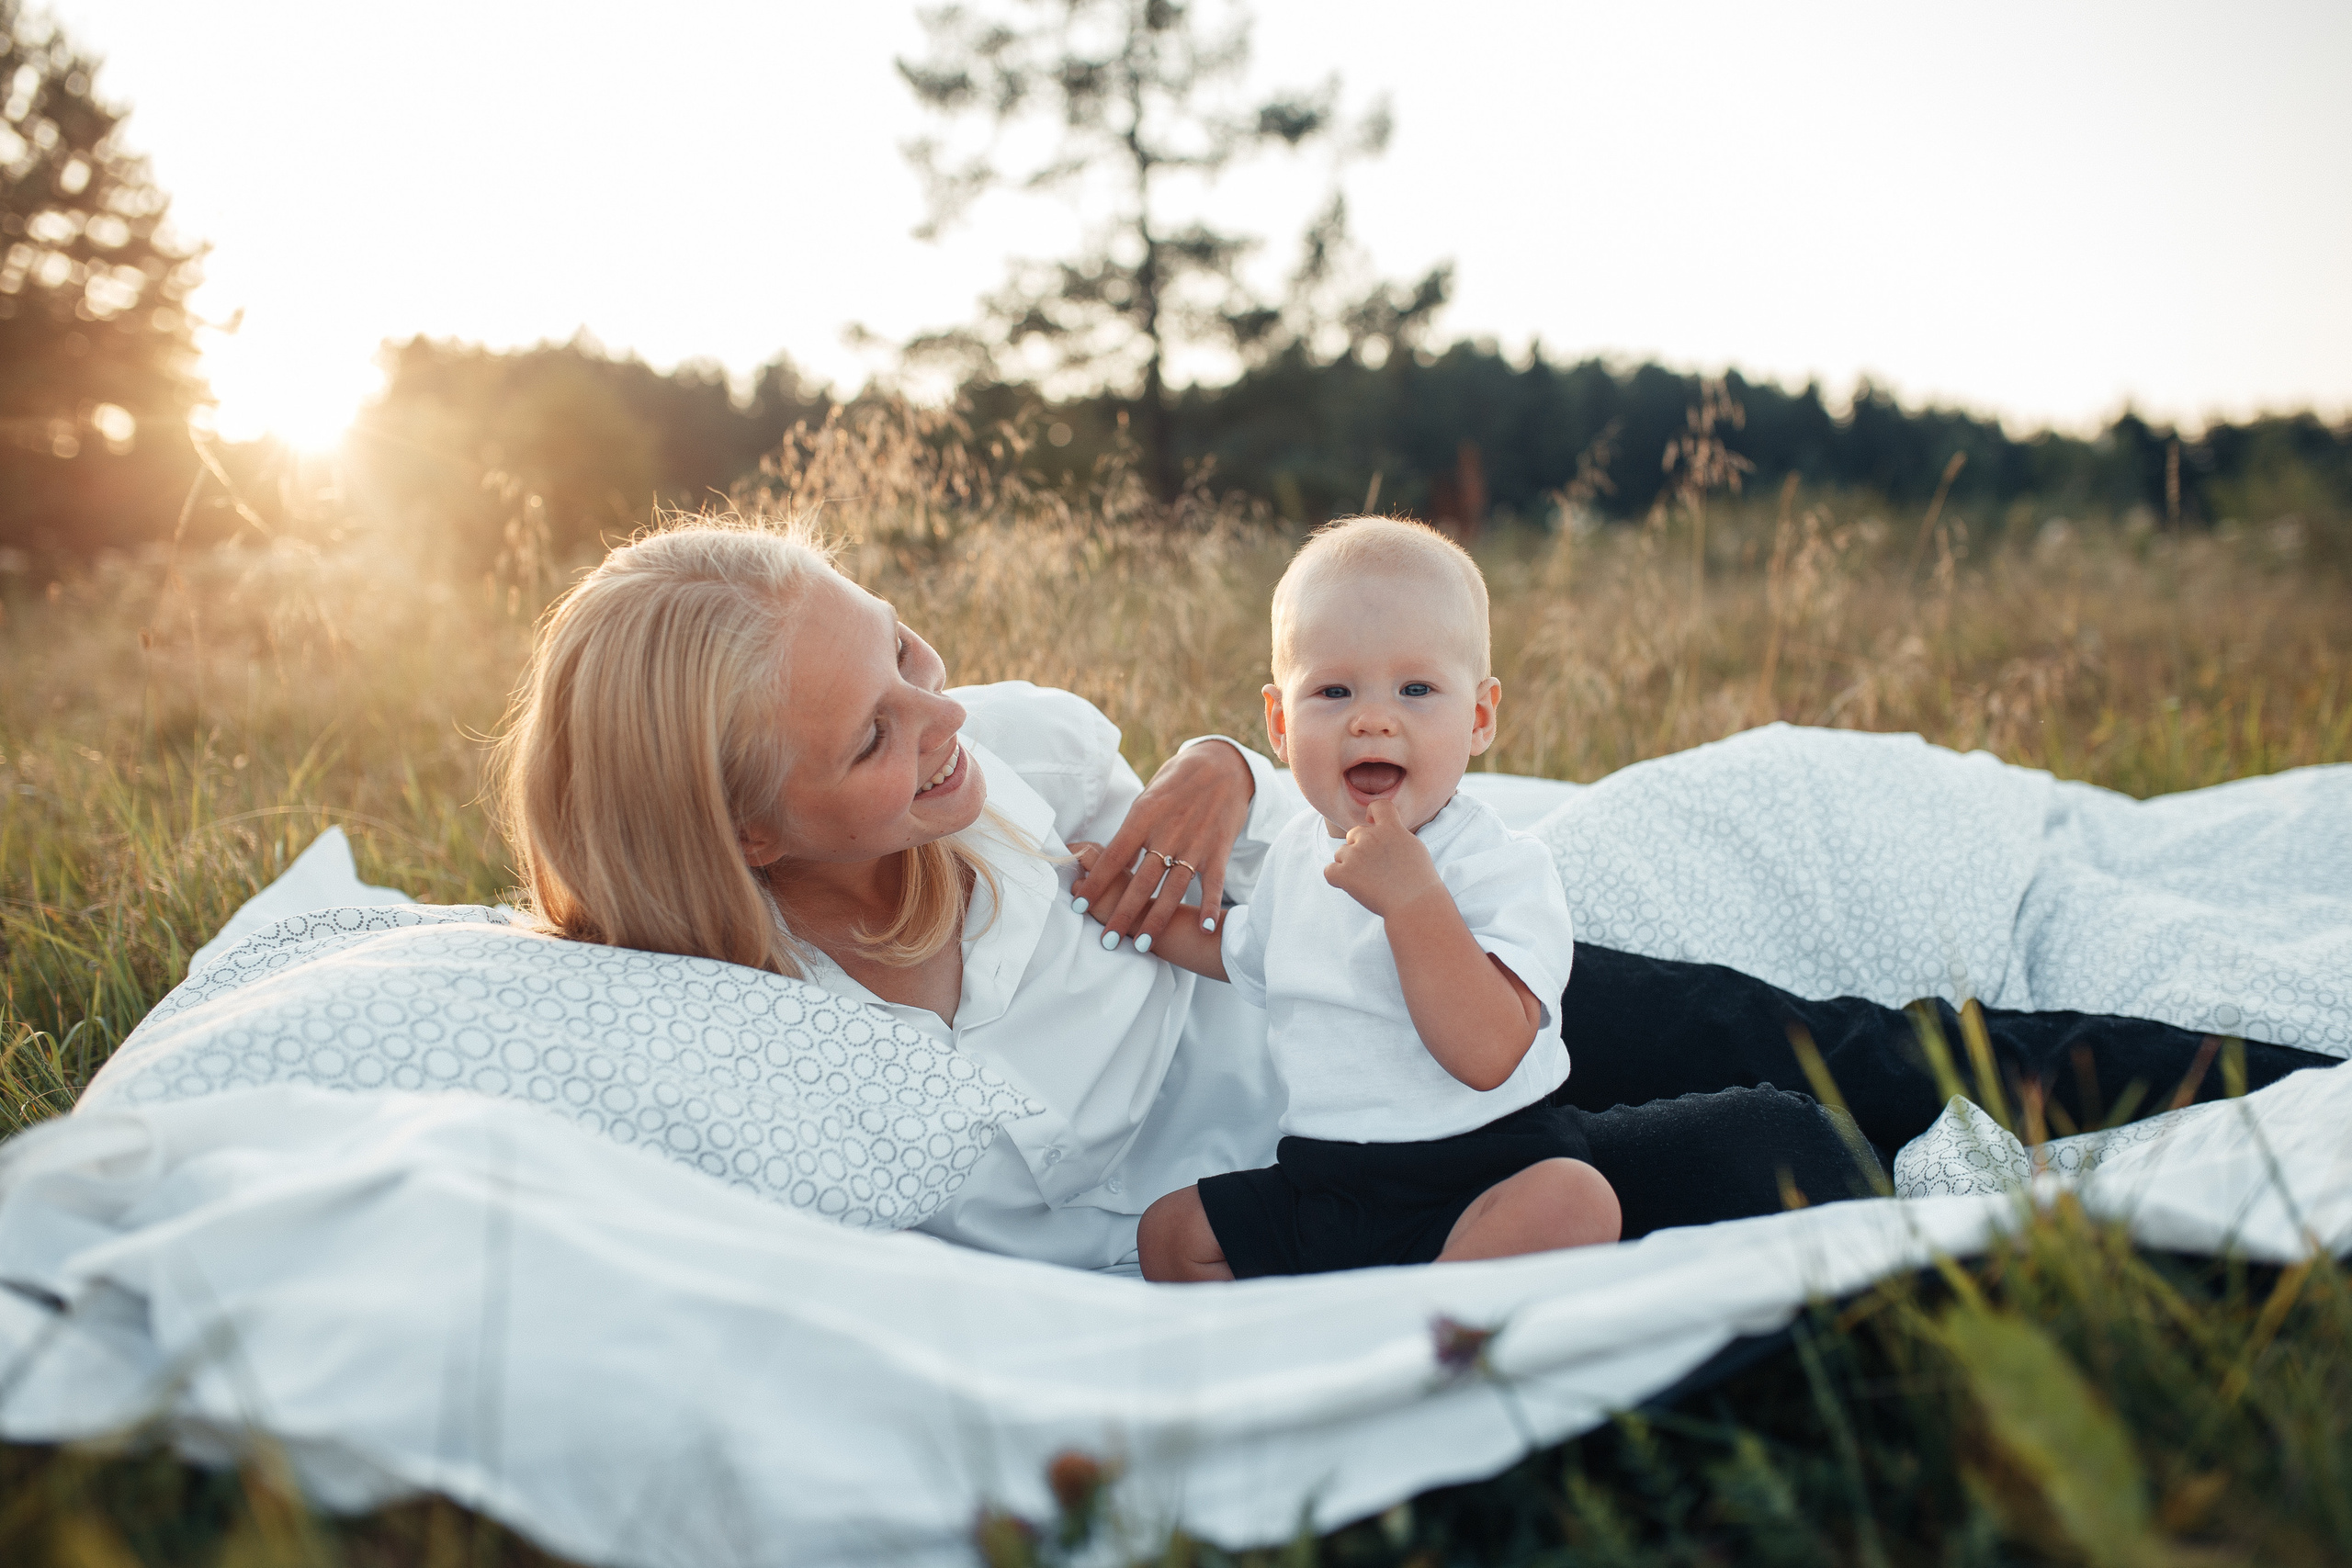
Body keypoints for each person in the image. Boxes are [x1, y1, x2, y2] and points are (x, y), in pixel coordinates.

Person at [495, 517, 2338, 1270]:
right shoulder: (788, 1037)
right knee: (1778, 1139)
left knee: (1868, 1044)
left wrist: (1221, 768)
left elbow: (1196, 760)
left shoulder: (1023, 748)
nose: (938, 717)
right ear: (745, 841)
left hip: (1399, 965)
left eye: (908, 650)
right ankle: (1603, 1210)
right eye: (874, 738)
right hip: (1344, 1163)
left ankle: (2284, 1082)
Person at [1111, 519, 1618, 1280]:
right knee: (1170, 1235)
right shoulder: (1292, 859)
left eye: (1416, 690)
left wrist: (1412, 897)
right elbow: (1234, 948)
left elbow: (1488, 1054)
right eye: (1333, 689)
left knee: (1576, 1200)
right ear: (1280, 723)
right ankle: (1338, 1333)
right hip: (1329, 1179)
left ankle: (1430, 1318)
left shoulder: (1499, 866)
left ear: (1479, 717)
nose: (1372, 717)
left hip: (1480, 1163)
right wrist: (1135, 909)